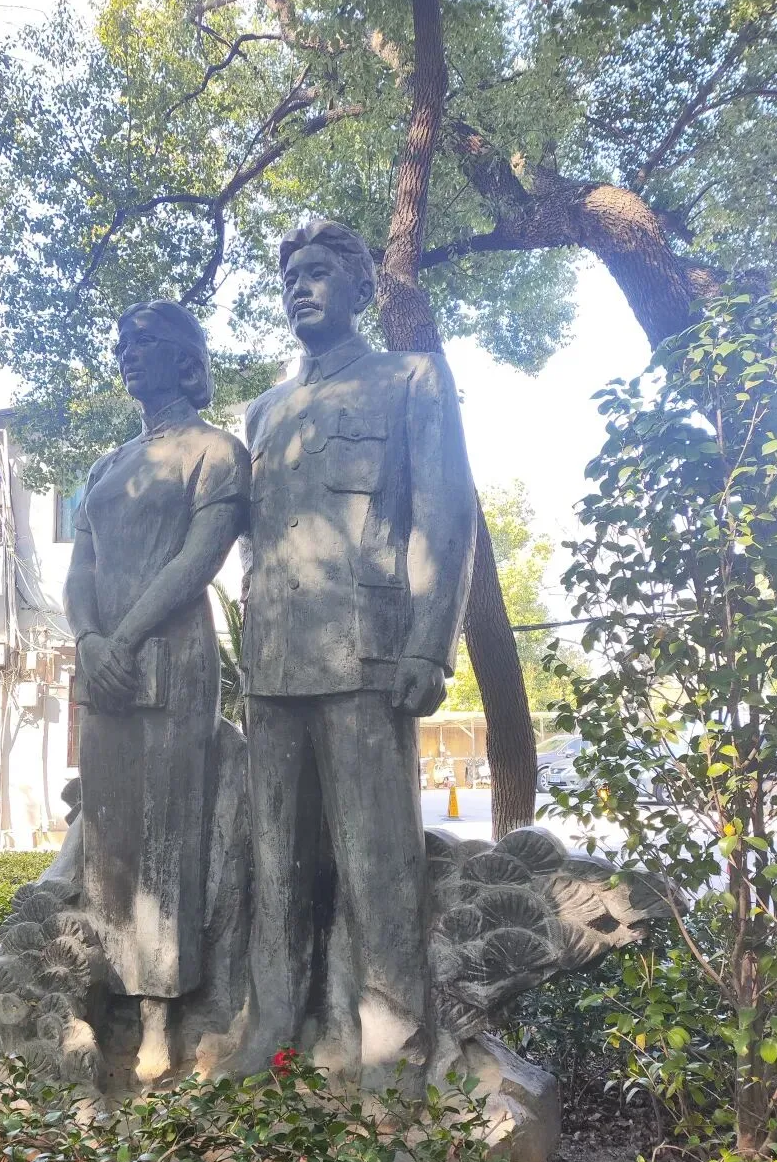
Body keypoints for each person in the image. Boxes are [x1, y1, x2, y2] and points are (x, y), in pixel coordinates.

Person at [237, 219, 476, 1085]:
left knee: (377, 862)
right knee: (275, 861)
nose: (300, 287)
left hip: (368, 656)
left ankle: (393, 1042)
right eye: (289, 277)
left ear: (362, 289)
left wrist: (430, 647)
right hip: (271, 662)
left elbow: (446, 513)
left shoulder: (411, 379)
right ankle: (273, 1026)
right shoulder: (263, 412)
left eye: (318, 272)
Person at [63, 300, 250, 1084]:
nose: (128, 353)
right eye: (121, 342)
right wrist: (89, 642)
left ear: (184, 358)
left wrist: (127, 638)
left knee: (169, 836)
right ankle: (100, 994)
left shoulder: (216, 452)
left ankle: (159, 1017)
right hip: (103, 668)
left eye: (145, 341)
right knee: (109, 841)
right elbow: (80, 568)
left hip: (173, 659)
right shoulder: (105, 467)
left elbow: (197, 561)